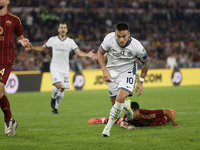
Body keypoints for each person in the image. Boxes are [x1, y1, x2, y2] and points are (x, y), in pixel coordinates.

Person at [29, 22, 96, 114]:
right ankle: (53, 98)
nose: (63, 29)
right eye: (61, 27)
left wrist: (87, 54)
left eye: (65, 27)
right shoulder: (52, 40)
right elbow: (42, 48)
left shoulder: (70, 42)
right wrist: (32, 47)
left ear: (67, 30)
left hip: (65, 68)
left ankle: (55, 108)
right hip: (55, 66)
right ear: (58, 30)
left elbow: (78, 52)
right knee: (58, 85)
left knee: (62, 89)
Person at [97, 22, 149, 137]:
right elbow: (100, 53)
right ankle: (128, 109)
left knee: (120, 97)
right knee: (115, 102)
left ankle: (107, 129)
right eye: (118, 36)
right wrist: (104, 70)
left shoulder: (136, 46)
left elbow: (145, 62)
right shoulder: (109, 39)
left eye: (124, 36)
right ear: (115, 34)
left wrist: (141, 81)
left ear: (128, 34)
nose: (121, 39)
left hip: (128, 73)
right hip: (112, 72)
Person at [0, 0, 31, 136]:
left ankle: (8, 119)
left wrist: (22, 41)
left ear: (7, 1)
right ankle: (11, 120)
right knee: (1, 94)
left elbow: (20, 37)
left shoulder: (14, 20)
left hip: (5, 60)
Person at [88, 101, 180, 129]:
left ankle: (173, 113)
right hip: (139, 123)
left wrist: (175, 125)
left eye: (130, 112)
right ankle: (101, 120)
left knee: (166, 117)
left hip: (158, 121)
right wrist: (127, 127)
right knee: (120, 120)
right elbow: (122, 124)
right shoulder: (128, 114)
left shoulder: (147, 113)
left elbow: (166, 110)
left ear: (134, 110)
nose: (128, 114)